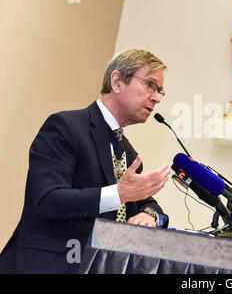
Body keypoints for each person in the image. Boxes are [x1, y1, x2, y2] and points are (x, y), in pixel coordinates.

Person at [0, 49, 171, 273]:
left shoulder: (128, 153)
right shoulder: (64, 127)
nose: (157, 97)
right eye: (150, 85)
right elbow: (47, 200)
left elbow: (146, 201)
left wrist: (149, 216)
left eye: (160, 91)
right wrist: (118, 194)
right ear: (117, 81)